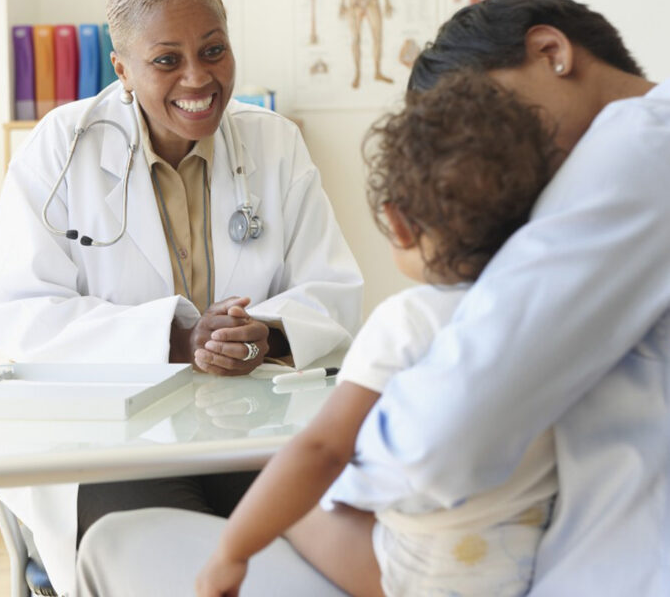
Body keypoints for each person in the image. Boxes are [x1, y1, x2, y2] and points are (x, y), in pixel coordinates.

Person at [75, 0, 669, 597]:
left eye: (490, 124)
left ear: (551, 52)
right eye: (167, 60)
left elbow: (436, 444)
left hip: (498, 558)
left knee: (116, 539)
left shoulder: (636, 149)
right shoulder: (609, 161)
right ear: (123, 69)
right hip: (517, 554)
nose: (501, 155)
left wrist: (325, 485)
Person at [0, 0, 363, 596]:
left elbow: (333, 286)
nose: (198, 78)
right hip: (110, 440)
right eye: (166, 60)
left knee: (317, 552)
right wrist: (179, 339)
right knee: (171, 564)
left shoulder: (275, 143)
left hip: (254, 426)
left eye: (214, 50)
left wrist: (263, 333)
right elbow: (20, 310)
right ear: (122, 68)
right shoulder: (60, 147)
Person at [194, 70, 562, 597]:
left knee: (293, 494)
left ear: (399, 223)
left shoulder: (408, 320)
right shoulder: (551, 310)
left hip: (422, 574)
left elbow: (321, 450)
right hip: (521, 563)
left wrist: (232, 553)